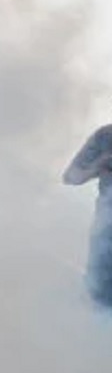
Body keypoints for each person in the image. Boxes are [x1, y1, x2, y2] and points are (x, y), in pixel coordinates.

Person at [61, 121, 112, 312]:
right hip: (107, 235)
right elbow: (71, 177)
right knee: (100, 298)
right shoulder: (106, 136)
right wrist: (100, 164)